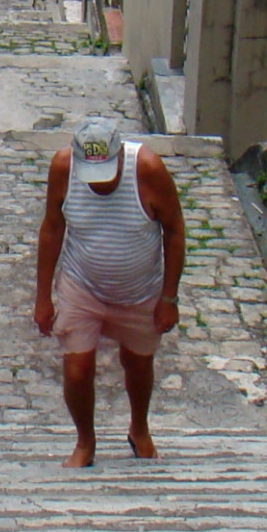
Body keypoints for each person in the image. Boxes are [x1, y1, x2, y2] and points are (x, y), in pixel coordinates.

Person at [33, 116, 186, 468]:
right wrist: (43, 297)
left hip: (139, 291)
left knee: (137, 364)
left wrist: (169, 298)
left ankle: (139, 428)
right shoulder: (63, 168)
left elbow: (174, 231)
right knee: (77, 369)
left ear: (121, 158)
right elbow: (52, 228)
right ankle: (85, 440)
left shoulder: (147, 169)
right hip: (81, 284)